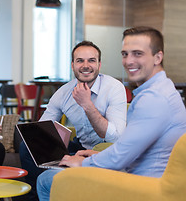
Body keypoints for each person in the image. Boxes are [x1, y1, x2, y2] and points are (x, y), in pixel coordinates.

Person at [37, 26, 186, 201]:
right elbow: (131, 148)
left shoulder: (154, 99)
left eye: (138, 53)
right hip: (137, 173)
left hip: (143, 186)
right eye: (125, 54)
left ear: (157, 57)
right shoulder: (161, 89)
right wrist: (97, 156)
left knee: (45, 181)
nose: (129, 61)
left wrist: (83, 163)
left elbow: (120, 156)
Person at [20, 41, 127, 200]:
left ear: (99, 64)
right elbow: (41, 130)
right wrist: (48, 139)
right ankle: (37, 195)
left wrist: (87, 104)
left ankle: (63, 178)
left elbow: (115, 137)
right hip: (79, 148)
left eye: (91, 60)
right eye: (80, 61)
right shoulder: (64, 92)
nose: (86, 65)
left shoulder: (114, 88)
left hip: (106, 152)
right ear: (72, 65)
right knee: (27, 146)